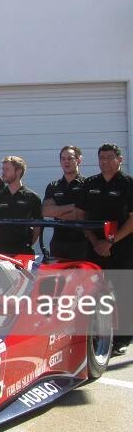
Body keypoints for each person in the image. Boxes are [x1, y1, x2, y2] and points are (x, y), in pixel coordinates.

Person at [75, 143, 133, 353]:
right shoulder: (90, 183)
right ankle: (98, 335)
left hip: (122, 247)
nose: (105, 162)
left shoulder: (128, 184)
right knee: (96, 292)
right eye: (101, 158)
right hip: (94, 247)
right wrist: (95, 242)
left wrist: (110, 242)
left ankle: (122, 340)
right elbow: (81, 217)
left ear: (120, 160)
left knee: (123, 292)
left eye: (109, 158)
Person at [43, 145, 88, 260]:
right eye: (63, 159)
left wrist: (57, 211)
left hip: (81, 243)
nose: (66, 162)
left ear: (79, 160)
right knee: (58, 277)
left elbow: (80, 215)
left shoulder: (87, 184)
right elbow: (46, 211)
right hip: (58, 243)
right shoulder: (53, 186)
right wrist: (72, 207)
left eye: (70, 158)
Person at [0, 156, 42, 254]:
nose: (3, 172)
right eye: (3, 169)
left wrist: (29, 243)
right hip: (1, 249)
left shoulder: (32, 197)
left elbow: (38, 226)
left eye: (7, 169)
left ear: (18, 171)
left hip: (23, 250)